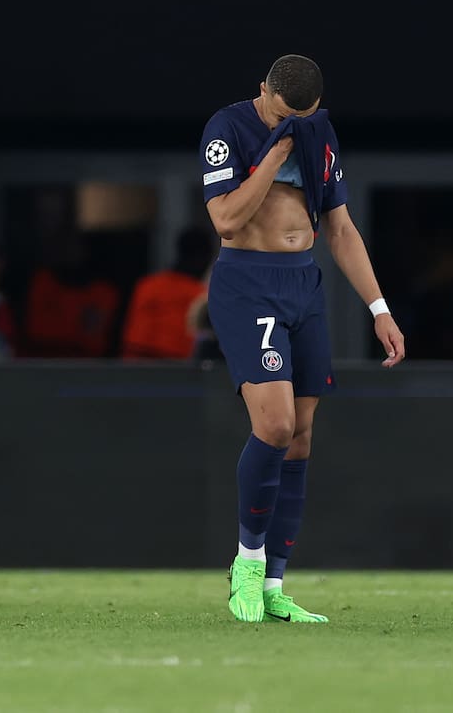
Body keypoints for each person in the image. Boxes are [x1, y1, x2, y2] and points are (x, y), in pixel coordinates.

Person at [200, 54, 405, 624]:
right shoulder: (230, 127)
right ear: (262, 90)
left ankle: (272, 585)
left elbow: (339, 227)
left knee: (302, 437)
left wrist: (379, 308)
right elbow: (225, 219)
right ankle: (245, 562)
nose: (292, 122)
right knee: (275, 424)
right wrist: (276, 155)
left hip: (303, 284)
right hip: (248, 282)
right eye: (284, 112)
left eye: (303, 116)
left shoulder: (319, 131)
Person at [120, 226, 215, 359]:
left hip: (133, 364)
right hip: (174, 369)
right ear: (203, 258)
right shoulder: (200, 296)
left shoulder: (147, 285)